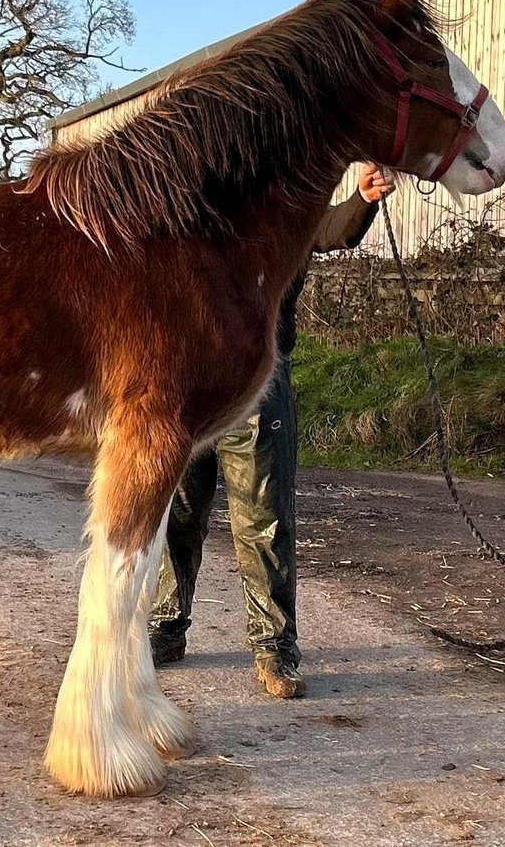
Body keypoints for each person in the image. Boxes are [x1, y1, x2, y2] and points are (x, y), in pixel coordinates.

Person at [149, 163, 394, 698]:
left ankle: (275, 648)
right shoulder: (193, 207)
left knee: (266, 521)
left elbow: (331, 229)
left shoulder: (287, 206)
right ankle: (165, 628)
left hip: (260, 384)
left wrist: (362, 200)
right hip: (193, 383)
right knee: (179, 513)